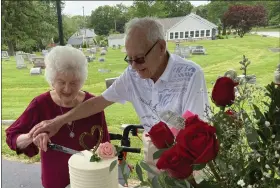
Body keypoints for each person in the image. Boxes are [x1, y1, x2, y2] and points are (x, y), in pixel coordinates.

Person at [30, 18, 210, 179]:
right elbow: (98, 102)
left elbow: (195, 126)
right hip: (154, 150)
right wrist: (58, 121)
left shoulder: (191, 74)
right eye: (129, 59)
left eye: (139, 59)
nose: (133, 66)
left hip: (189, 153)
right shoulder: (132, 74)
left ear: (161, 47)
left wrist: (167, 124)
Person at [6, 46, 110, 188]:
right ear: (52, 80)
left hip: (90, 182)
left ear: (81, 81)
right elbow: (12, 137)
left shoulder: (92, 105)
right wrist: (31, 135)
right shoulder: (40, 104)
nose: (67, 89)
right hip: (56, 184)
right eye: (61, 82)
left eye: (74, 83)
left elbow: (104, 145)